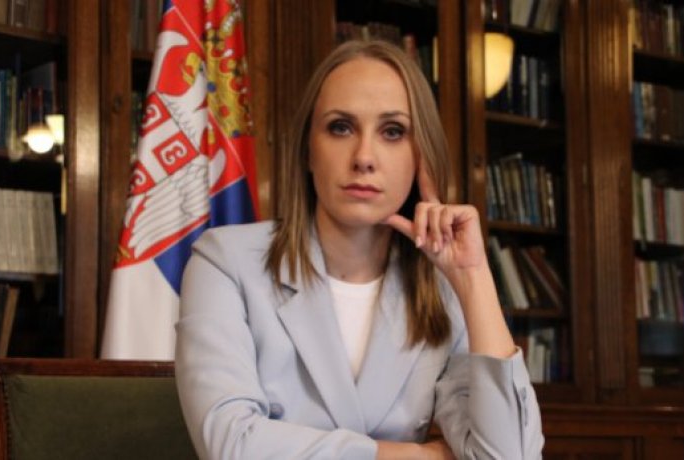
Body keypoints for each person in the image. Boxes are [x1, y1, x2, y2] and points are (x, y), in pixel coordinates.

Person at [175, 39, 544, 459]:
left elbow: (510, 456)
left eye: (393, 131)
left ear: (421, 157)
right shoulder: (225, 261)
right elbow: (232, 446)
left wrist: (473, 278)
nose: (364, 157)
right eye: (340, 127)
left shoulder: (443, 289)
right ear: (308, 151)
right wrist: (420, 455)